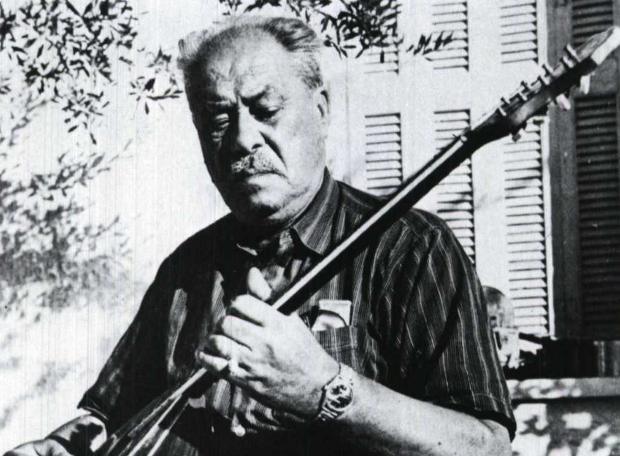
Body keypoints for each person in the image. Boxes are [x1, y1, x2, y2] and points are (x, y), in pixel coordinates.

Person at [6, 16, 515, 456]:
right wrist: (63, 445)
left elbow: (487, 446)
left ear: (321, 109)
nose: (242, 139)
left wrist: (327, 390)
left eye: (266, 110)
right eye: (217, 119)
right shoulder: (186, 269)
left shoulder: (411, 248)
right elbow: (110, 418)